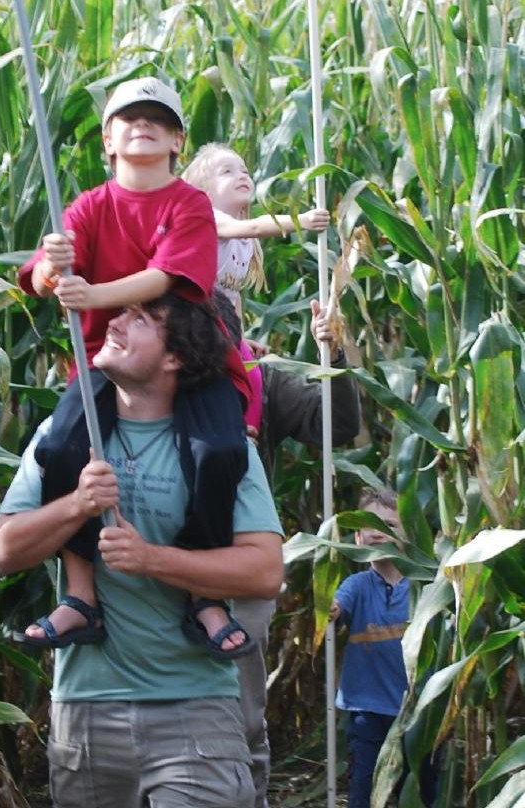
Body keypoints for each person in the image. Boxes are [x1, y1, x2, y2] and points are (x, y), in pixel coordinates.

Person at [0, 293, 284, 808]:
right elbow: (6, 552)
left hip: (195, 710)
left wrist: (151, 558)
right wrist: (78, 504)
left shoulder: (224, 450)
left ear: (175, 357)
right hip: (85, 712)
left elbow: (264, 573)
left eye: (141, 318)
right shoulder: (61, 436)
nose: (117, 320)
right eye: (121, 309)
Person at [16, 76, 253, 656]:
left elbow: (168, 278)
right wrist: (54, 269)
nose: (141, 125)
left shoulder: (189, 204)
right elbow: (41, 277)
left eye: (156, 119)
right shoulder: (91, 206)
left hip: (187, 362)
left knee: (218, 450)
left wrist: (91, 294)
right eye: (128, 118)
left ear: (177, 140)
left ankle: (204, 593)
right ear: (107, 141)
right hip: (105, 361)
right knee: (63, 449)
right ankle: (80, 595)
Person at [213, 288, 362, 808]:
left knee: (241, 714)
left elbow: (337, 426)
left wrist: (334, 357)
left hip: (241, 569)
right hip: (157, 572)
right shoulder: (146, 378)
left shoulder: (262, 378)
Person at [182, 142, 329, 432]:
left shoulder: (245, 243)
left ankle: (247, 430)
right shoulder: (209, 217)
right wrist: (302, 222)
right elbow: (255, 226)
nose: (241, 176)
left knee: (252, 374)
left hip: (224, 327)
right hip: (196, 325)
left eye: (245, 171)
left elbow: (233, 296)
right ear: (205, 192)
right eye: (227, 171)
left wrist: (241, 338)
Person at [329, 486, 408, 808]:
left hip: (417, 709)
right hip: (367, 708)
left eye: (389, 526)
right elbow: (336, 607)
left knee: (422, 786)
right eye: (370, 525)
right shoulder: (357, 585)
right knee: (363, 785)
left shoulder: (426, 586)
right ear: (358, 538)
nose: (379, 533)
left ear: (410, 533)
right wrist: (328, 609)